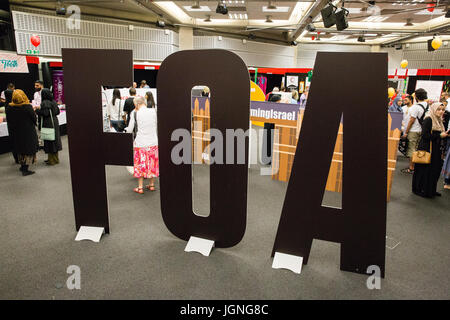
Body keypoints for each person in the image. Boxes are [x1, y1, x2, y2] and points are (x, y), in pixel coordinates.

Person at [412, 102, 449, 198]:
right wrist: (439, 135)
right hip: (427, 148)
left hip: (436, 150)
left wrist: (444, 135)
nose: (441, 111)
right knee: (424, 170)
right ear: (433, 109)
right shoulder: (428, 119)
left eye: (443, 109)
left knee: (434, 170)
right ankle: (421, 189)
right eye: (439, 109)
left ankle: (430, 189)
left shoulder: (439, 121)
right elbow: (424, 135)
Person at [125, 96, 159, 194]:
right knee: (152, 163)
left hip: (140, 143)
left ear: (137, 104)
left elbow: (130, 129)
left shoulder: (135, 113)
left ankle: (140, 187)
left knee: (140, 164)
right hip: (153, 142)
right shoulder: (153, 111)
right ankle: (151, 185)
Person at [6, 89, 39, 176]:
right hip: (28, 132)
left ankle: (22, 165)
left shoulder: (9, 107)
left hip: (16, 132)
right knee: (28, 150)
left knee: (20, 149)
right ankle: (25, 169)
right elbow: (34, 119)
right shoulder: (27, 107)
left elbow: (9, 120)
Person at [401, 88, 429, 174]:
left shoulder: (416, 107)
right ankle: (415, 166)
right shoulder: (427, 105)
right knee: (417, 149)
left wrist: (406, 132)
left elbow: (411, 120)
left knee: (411, 149)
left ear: (416, 96)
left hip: (413, 130)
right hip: (422, 130)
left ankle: (411, 168)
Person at [35, 88, 62, 165]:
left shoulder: (45, 102)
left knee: (49, 141)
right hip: (54, 122)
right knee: (54, 140)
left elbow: (45, 113)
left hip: (48, 123)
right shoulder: (53, 101)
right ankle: (55, 159)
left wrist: (37, 111)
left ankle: (51, 160)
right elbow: (58, 112)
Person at [3, 88, 18, 163]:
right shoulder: (12, 105)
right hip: (15, 126)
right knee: (17, 142)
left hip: (10, 126)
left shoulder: (6, 104)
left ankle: (16, 158)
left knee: (13, 142)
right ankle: (18, 158)